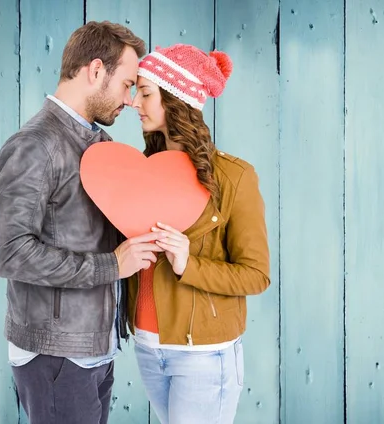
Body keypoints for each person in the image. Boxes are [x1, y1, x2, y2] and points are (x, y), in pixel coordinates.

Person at [0, 21, 164, 424]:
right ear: (96, 70)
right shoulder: (35, 145)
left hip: (95, 348)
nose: (131, 100)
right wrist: (111, 266)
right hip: (56, 355)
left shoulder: (100, 146)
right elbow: (10, 252)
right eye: (126, 84)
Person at [128, 43, 271, 423]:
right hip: (147, 347)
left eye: (144, 93)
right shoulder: (142, 172)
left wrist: (188, 263)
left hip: (203, 356)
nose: (134, 103)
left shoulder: (234, 177)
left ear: (174, 98)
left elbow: (256, 275)